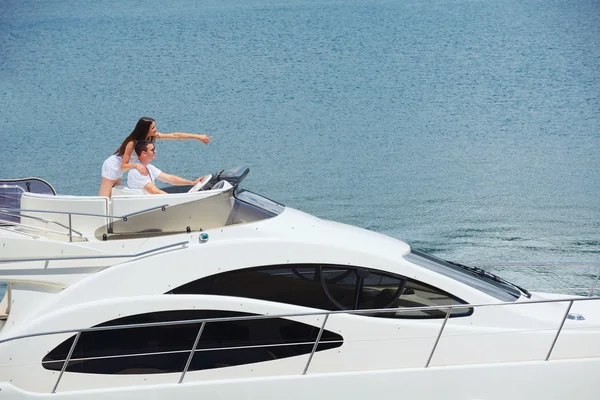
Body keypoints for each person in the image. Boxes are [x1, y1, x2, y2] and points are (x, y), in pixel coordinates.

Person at [99, 117, 213, 196]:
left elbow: (175, 135)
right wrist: (136, 166)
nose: (156, 129)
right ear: (146, 129)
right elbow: (123, 166)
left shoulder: (148, 139)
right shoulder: (132, 143)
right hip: (113, 166)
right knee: (105, 196)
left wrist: (198, 136)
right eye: (153, 128)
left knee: (113, 193)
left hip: (124, 167)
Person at [127, 141, 206, 194]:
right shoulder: (137, 172)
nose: (155, 151)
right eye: (152, 150)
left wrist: (192, 183)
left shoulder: (149, 167)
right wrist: (175, 200)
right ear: (144, 153)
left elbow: (170, 178)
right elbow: (154, 191)